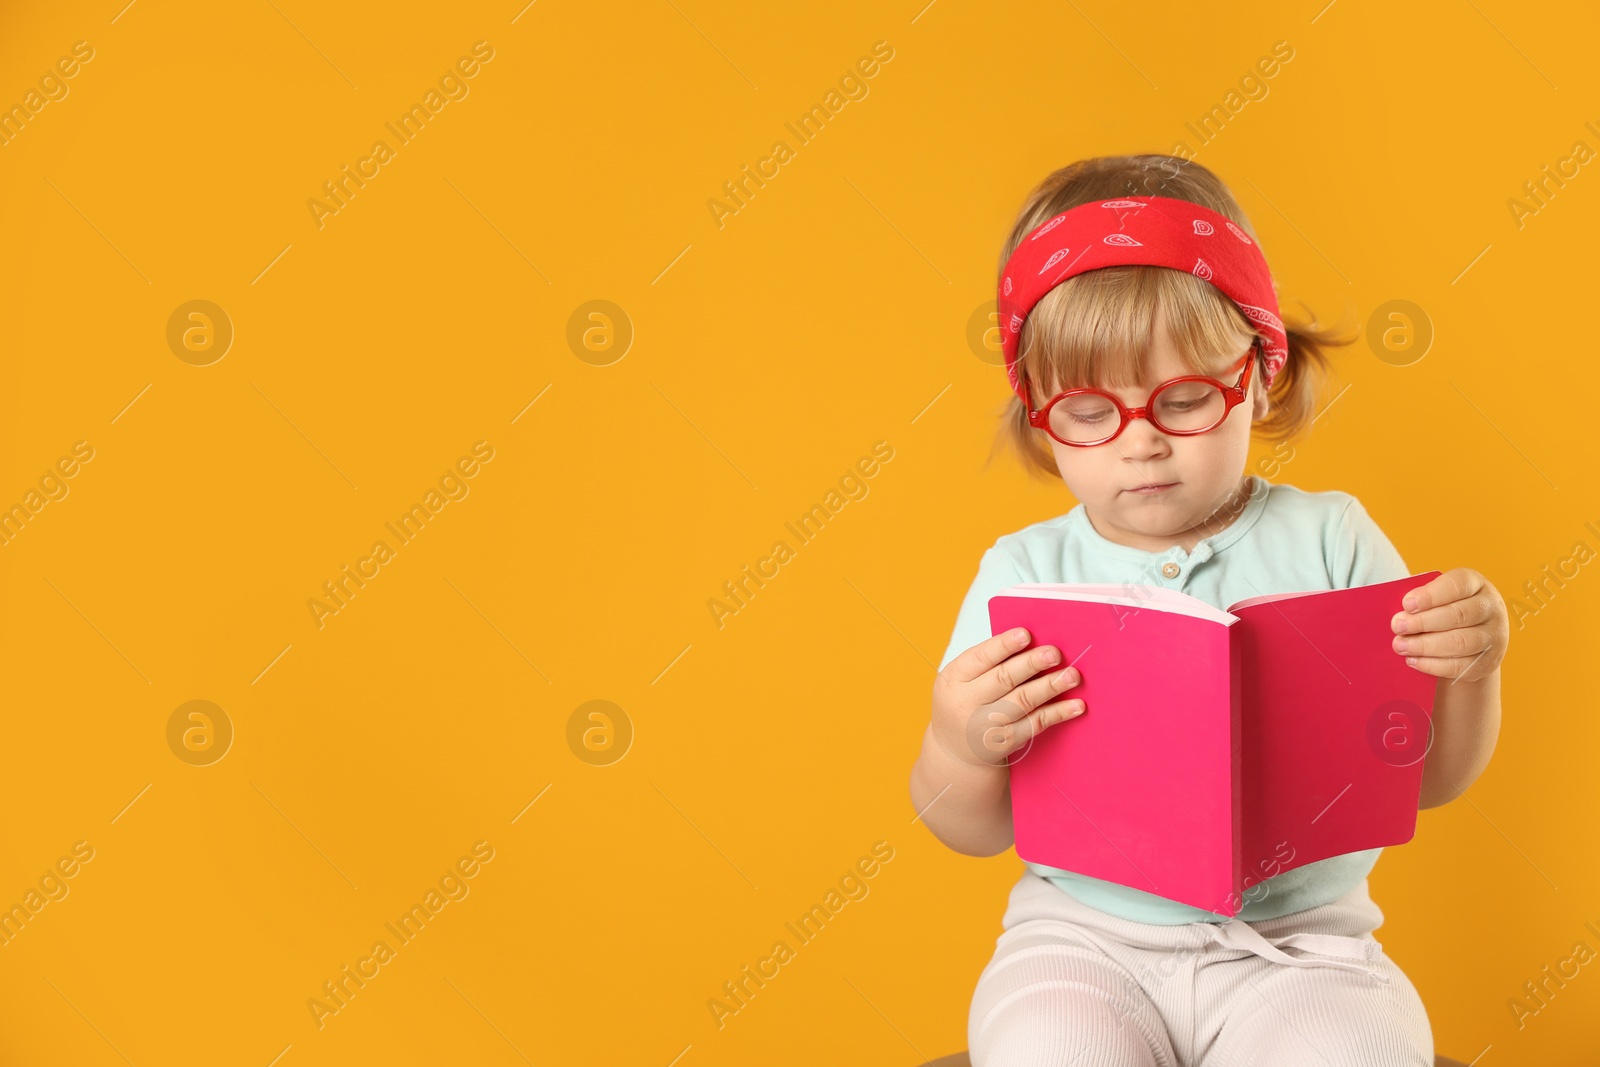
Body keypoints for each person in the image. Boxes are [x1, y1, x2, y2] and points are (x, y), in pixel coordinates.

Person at [907, 155, 1508, 1066]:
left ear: (1260, 376)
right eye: (1087, 411)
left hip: (1305, 949)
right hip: (1082, 943)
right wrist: (958, 745)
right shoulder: (1023, 572)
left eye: (1185, 399)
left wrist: (1471, 672)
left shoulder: (1333, 541)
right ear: (1040, 421)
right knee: (1046, 1047)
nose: (1140, 441)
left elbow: (1430, 778)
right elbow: (971, 828)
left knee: (1364, 1049)